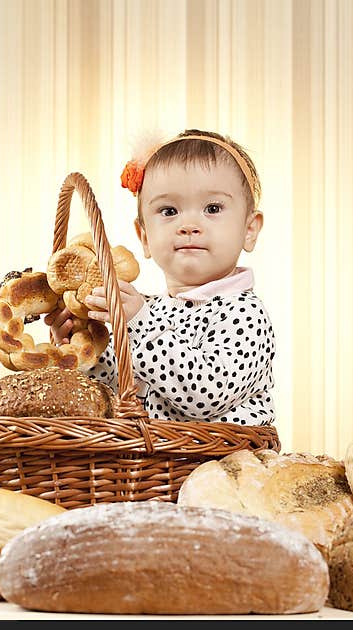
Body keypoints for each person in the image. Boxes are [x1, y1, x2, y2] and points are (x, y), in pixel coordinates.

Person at [45, 129, 276, 425]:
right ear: (144, 237)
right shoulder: (149, 308)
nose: (189, 225)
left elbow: (205, 396)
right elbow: (121, 389)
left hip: (224, 464)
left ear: (249, 229)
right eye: (169, 210)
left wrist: (140, 323)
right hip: (155, 467)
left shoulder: (245, 315)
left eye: (213, 208)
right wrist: (80, 350)